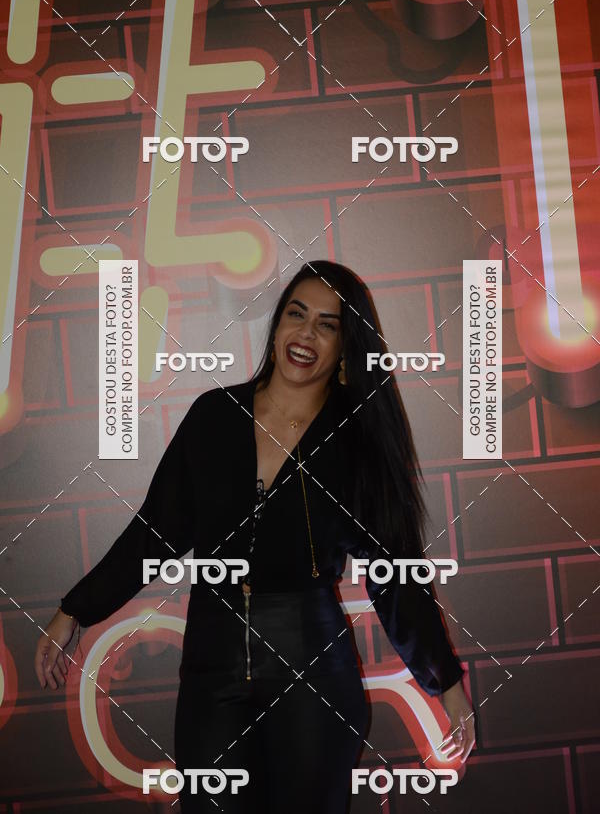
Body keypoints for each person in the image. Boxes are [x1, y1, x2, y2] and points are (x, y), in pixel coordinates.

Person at [34, 259, 475, 812]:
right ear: (277, 323)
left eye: (327, 325)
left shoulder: (356, 441)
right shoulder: (214, 417)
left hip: (314, 674)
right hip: (212, 668)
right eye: (296, 314)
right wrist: (75, 609)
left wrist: (445, 682)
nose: (306, 334)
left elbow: (396, 574)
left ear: (346, 347)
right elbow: (154, 533)